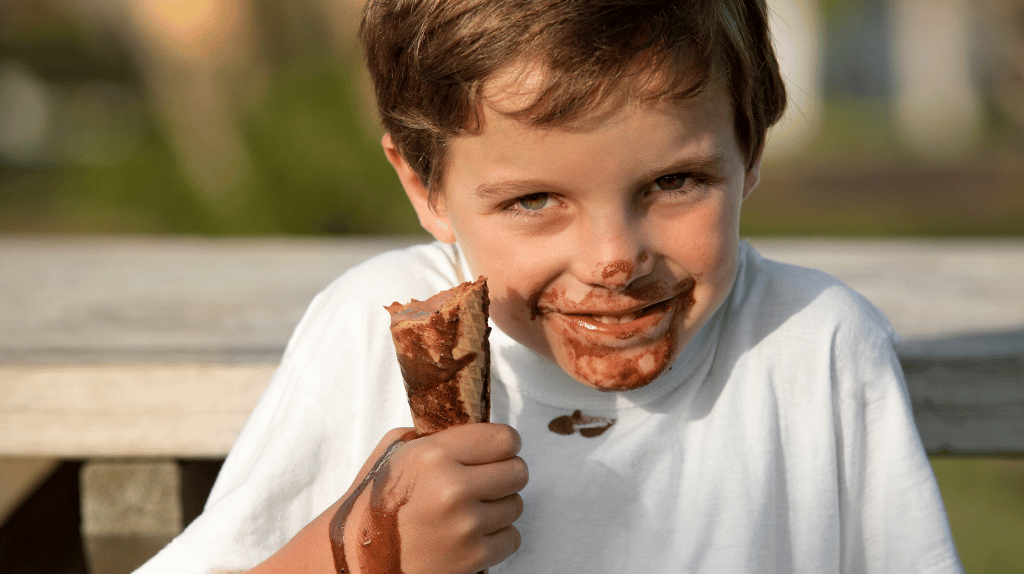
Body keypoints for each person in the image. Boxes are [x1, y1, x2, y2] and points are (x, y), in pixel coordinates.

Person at [137, 0, 964, 572]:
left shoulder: (816, 344)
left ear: (751, 145)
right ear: (426, 188)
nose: (614, 257)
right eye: (534, 200)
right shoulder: (369, 330)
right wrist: (361, 550)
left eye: (675, 182)